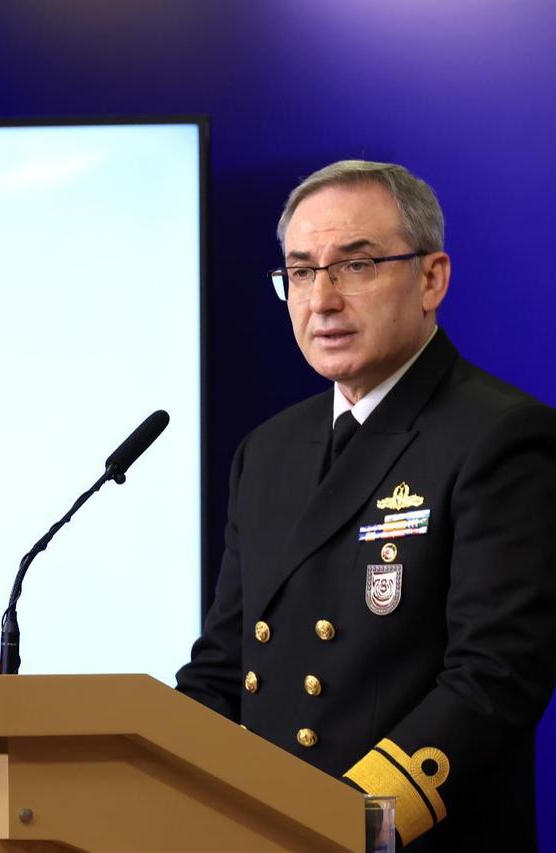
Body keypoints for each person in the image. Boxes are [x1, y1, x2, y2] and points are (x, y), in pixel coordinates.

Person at [175, 160, 556, 850]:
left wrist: (347, 824)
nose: (322, 300)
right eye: (301, 272)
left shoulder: (499, 435)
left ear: (431, 279)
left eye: (356, 266)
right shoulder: (267, 450)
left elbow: (495, 676)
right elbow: (223, 668)